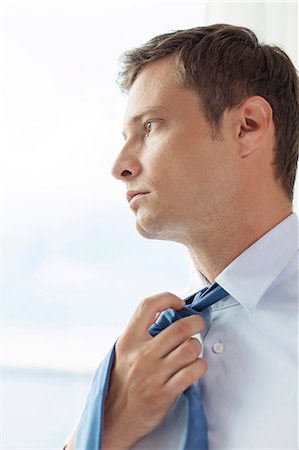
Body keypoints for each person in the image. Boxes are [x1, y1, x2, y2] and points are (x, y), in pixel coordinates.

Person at [65, 24, 299, 450]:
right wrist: (106, 431)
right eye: (125, 137)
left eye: (150, 126)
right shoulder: (136, 358)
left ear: (248, 126)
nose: (120, 166)